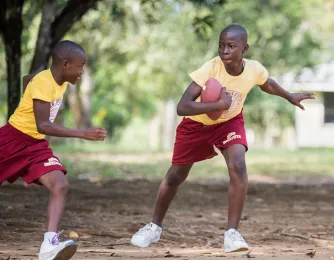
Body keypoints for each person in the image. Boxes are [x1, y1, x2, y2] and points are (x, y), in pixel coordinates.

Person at [130, 24, 315, 253]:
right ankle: (153, 227)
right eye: (221, 45)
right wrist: (218, 104)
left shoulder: (254, 69)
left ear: (244, 48)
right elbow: (182, 106)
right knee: (176, 175)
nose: (224, 50)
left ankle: (232, 234)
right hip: (196, 125)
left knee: (238, 165)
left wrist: (290, 96)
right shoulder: (211, 68)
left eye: (231, 46)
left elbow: (267, 83)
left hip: (229, 122)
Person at [0, 40, 107, 260]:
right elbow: (44, 126)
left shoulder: (60, 79)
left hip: (36, 146)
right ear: (65, 64)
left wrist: (26, 96)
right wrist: (83, 133)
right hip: (11, 140)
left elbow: (26, 79)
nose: (82, 71)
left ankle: (49, 244)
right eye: (80, 66)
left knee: (60, 184)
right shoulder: (44, 82)